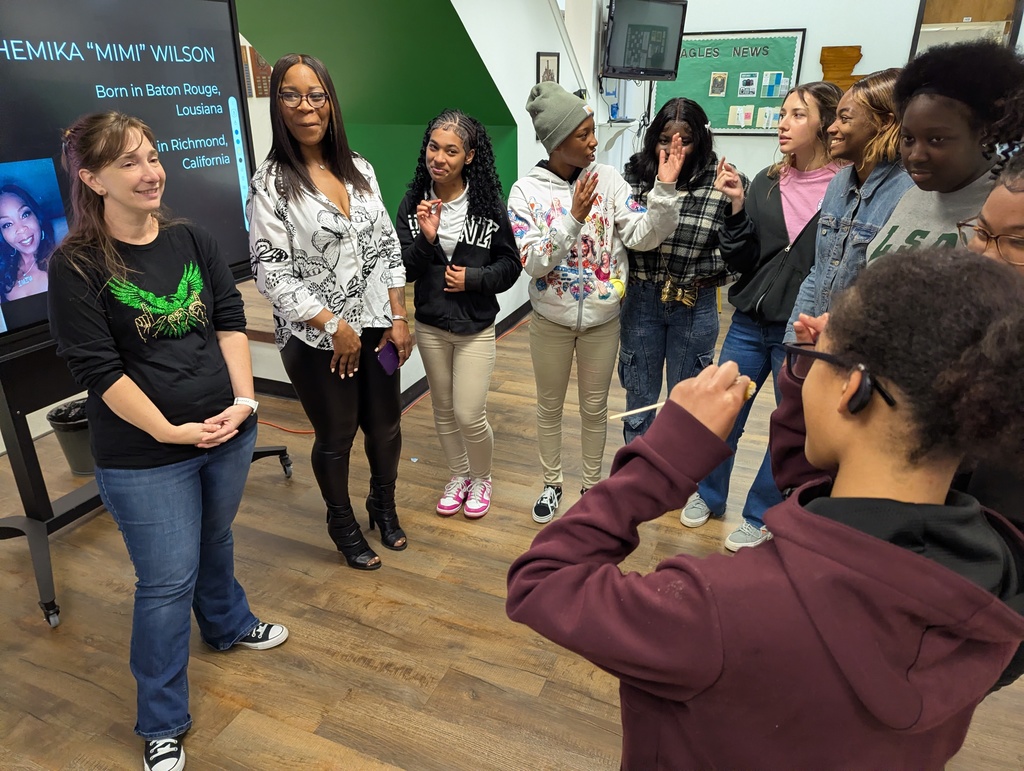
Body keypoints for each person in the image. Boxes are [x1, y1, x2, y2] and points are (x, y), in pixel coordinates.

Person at [507, 248, 1024, 769]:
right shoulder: (994, 583)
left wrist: (663, 457)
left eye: (822, 359)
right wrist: (806, 386)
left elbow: (542, 581)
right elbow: (832, 514)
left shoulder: (719, 611)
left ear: (852, 390)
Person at [48, 112, 288, 771]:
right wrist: (168, 429)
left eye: (152, 156)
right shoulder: (74, 266)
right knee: (164, 580)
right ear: (92, 178)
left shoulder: (193, 239)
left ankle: (228, 623)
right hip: (145, 454)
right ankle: (161, 720)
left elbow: (230, 322)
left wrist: (244, 401)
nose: (151, 171)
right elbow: (99, 372)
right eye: (129, 162)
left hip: (227, 431)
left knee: (214, 539)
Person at [248, 54, 411, 570]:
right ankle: (340, 522)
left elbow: (386, 243)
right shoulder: (270, 183)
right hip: (316, 339)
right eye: (291, 95)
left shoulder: (359, 168)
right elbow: (270, 273)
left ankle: (382, 505)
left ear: (331, 101)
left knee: (385, 426)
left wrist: (399, 315)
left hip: (376, 326)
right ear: (277, 104)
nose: (306, 106)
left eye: (316, 94)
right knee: (337, 436)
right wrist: (333, 325)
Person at [507, 81, 684, 524]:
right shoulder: (524, 192)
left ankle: (590, 486)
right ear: (556, 140)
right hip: (549, 320)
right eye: (583, 133)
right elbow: (533, 263)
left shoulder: (607, 178)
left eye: (592, 130)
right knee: (548, 408)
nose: (593, 141)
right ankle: (552, 484)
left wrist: (663, 191)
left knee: (595, 408)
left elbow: (643, 236)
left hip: (604, 320)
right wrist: (572, 219)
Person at [683, 82, 843, 550]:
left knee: (789, 425)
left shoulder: (844, 189)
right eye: (782, 113)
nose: (782, 122)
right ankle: (708, 495)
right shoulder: (767, 181)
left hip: (802, 330)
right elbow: (741, 256)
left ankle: (759, 514)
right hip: (749, 323)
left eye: (796, 114)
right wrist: (735, 203)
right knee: (724, 410)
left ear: (824, 123)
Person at [395, 109, 521, 518]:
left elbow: (510, 265)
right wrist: (427, 241)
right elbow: (403, 269)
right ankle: (458, 475)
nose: (439, 158)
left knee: (469, 412)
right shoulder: (414, 203)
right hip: (431, 325)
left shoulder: (486, 205)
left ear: (468, 156)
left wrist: (475, 279)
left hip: (475, 328)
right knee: (443, 410)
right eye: (434, 147)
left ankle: (481, 478)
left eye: (451, 151)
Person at [617, 97, 744, 446]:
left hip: (695, 301)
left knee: (687, 400)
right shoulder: (632, 177)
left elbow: (738, 255)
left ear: (700, 140)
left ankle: (675, 479)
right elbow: (624, 237)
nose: (674, 149)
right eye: (664, 140)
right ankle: (638, 474)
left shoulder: (723, 181)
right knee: (639, 398)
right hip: (643, 298)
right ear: (652, 139)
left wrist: (736, 206)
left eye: (684, 141)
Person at [866, 41, 1024, 262]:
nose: (916, 155)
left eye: (936, 139)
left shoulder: (1006, 206)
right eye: (908, 139)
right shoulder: (911, 196)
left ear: (986, 134)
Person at [786, 68, 913, 337]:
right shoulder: (839, 184)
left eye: (844, 119)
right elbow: (819, 272)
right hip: (820, 339)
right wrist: (796, 340)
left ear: (885, 123)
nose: (832, 128)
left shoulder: (909, 192)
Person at [0, 183, 53, 301]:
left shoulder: (63, 258)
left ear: (37, 217)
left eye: (25, 214)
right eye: (7, 224)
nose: (21, 229)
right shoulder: (4, 273)